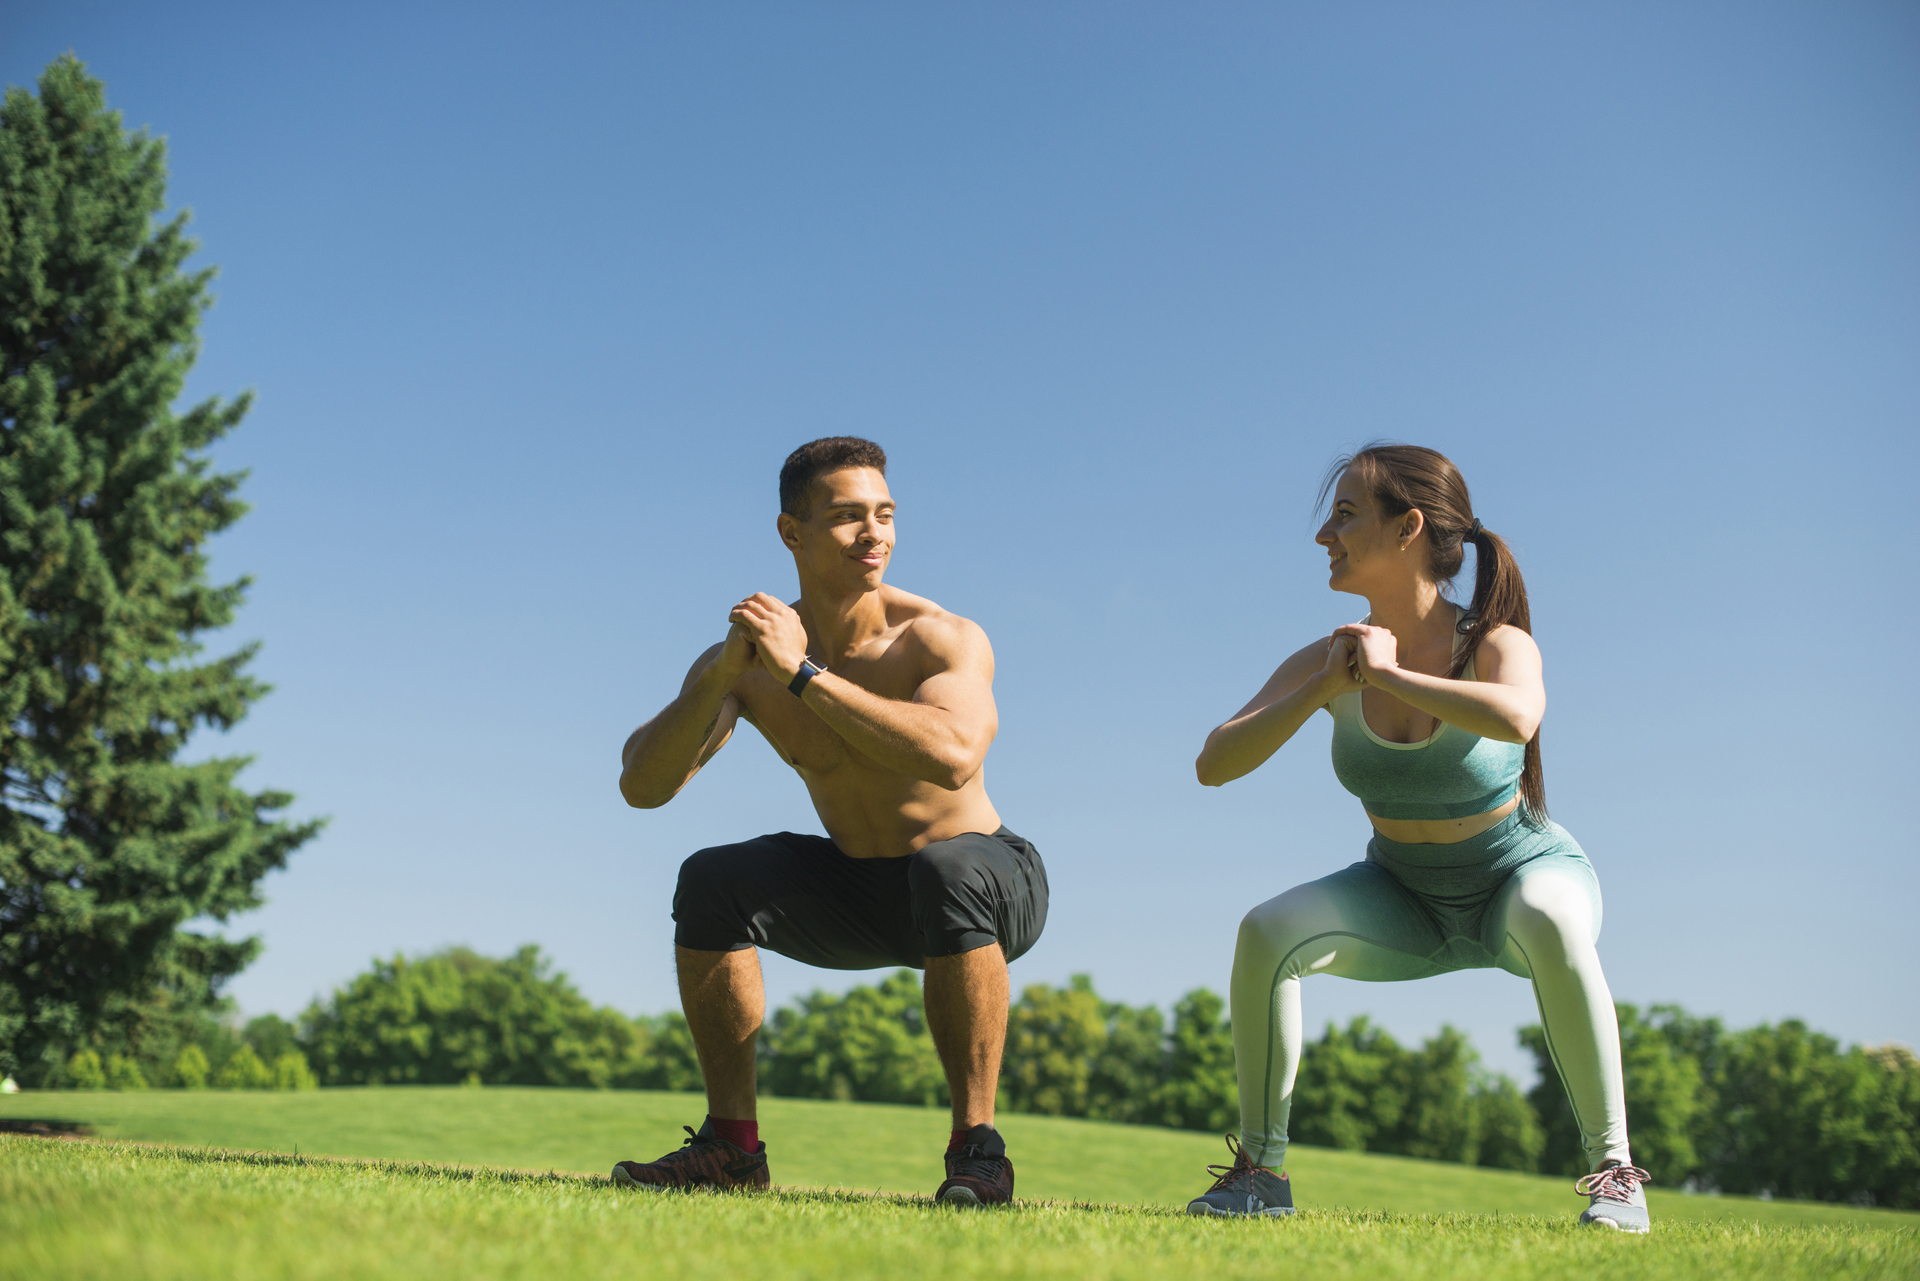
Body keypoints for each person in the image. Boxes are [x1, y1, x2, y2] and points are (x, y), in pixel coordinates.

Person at [1182, 444, 1651, 1232]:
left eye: (1344, 514)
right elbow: (1214, 763)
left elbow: (1518, 716)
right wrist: (1324, 687)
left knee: (1548, 916)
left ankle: (1616, 1175)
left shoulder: (1496, 643)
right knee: (1265, 932)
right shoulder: (1328, 659)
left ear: (1408, 528)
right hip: (1401, 894)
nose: (1324, 534)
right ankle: (1261, 1174)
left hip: (1520, 874)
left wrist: (1391, 678)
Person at [611, 436, 1046, 1206]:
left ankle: (977, 1151)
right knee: (710, 878)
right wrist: (721, 675)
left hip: (986, 876)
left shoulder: (939, 636)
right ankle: (732, 1150)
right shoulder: (751, 659)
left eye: (884, 513)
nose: (873, 533)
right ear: (792, 533)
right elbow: (642, 786)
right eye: (847, 516)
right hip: (863, 887)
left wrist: (804, 677)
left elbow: (950, 754)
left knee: (945, 867)